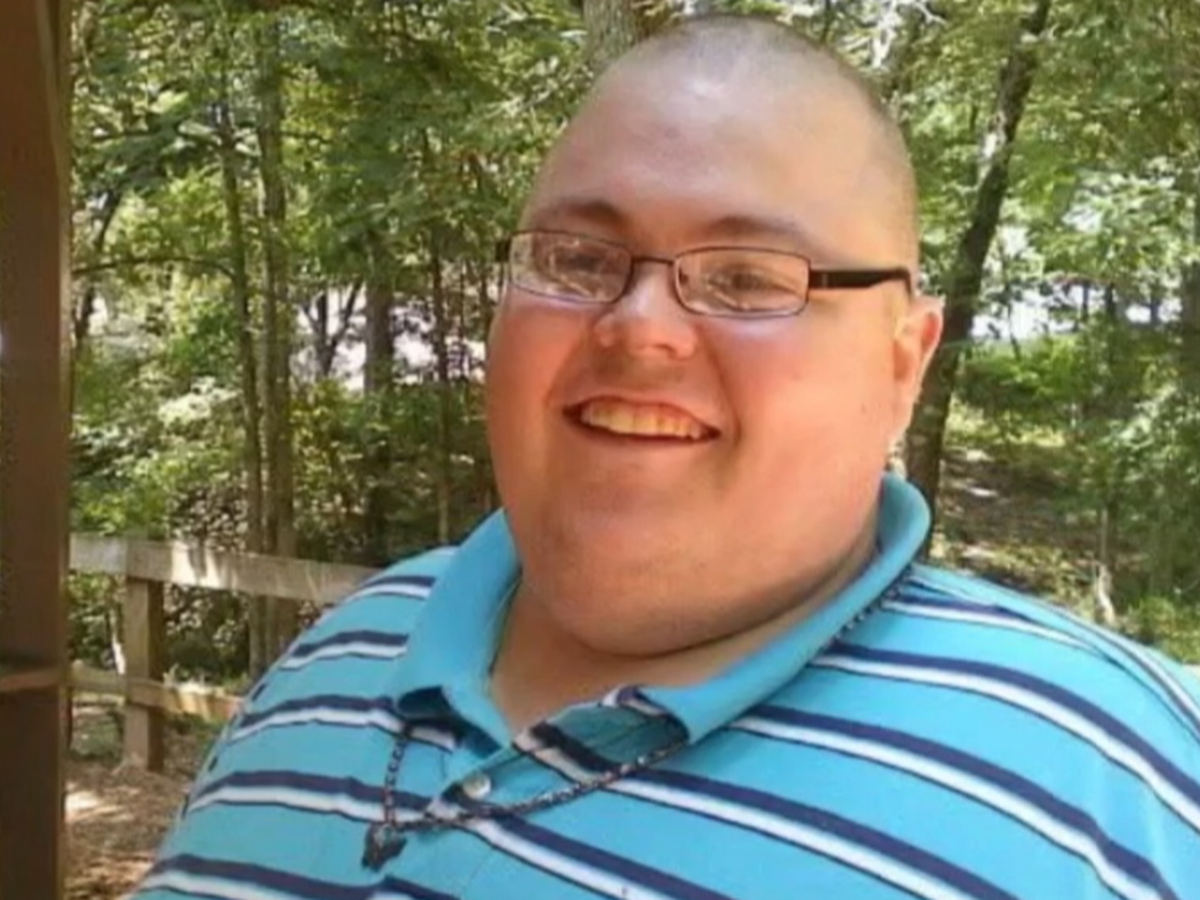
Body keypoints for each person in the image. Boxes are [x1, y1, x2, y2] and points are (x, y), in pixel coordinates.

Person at [135, 14, 1200, 900]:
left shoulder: (1122, 785)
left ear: (901, 362)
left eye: (747, 278)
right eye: (576, 259)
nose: (638, 327)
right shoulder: (338, 653)